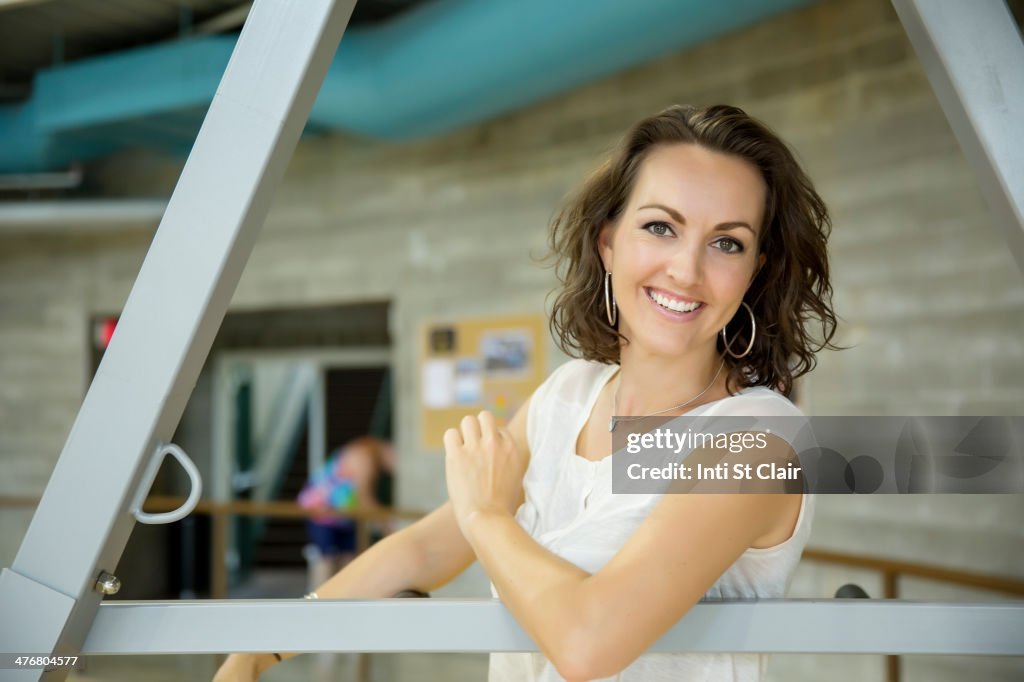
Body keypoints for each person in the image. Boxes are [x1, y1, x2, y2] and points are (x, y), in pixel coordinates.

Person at [213, 103, 838, 682]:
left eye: (727, 242)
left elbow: (589, 641)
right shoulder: (568, 395)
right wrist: (257, 649)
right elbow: (428, 546)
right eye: (660, 227)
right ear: (609, 242)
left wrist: (487, 516)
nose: (686, 270)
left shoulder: (761, 439)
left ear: (755, 271)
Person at [297, 436, 397, 590]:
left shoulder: (370, 458)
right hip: (323, 513)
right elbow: (365, 497)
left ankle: (342, 599)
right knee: (326, 560)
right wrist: (388, 529)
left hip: (344, 517)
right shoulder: (363, 455)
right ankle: (319, 605)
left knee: (348, 559)